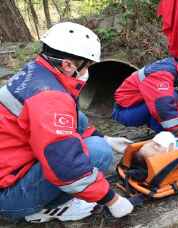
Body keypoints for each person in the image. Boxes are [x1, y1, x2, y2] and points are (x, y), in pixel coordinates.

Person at [0, 22, 135, 223]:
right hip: (9, 196)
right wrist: (111, 199)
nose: (88, 70)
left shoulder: (36, 72)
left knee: (86, 129)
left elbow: (71, 123)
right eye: (87, 65)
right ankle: (47, 208)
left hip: (11, 168)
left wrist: (106, 138)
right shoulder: (50, 98)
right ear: (68, 65)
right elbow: (66, 165)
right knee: (98, 153)